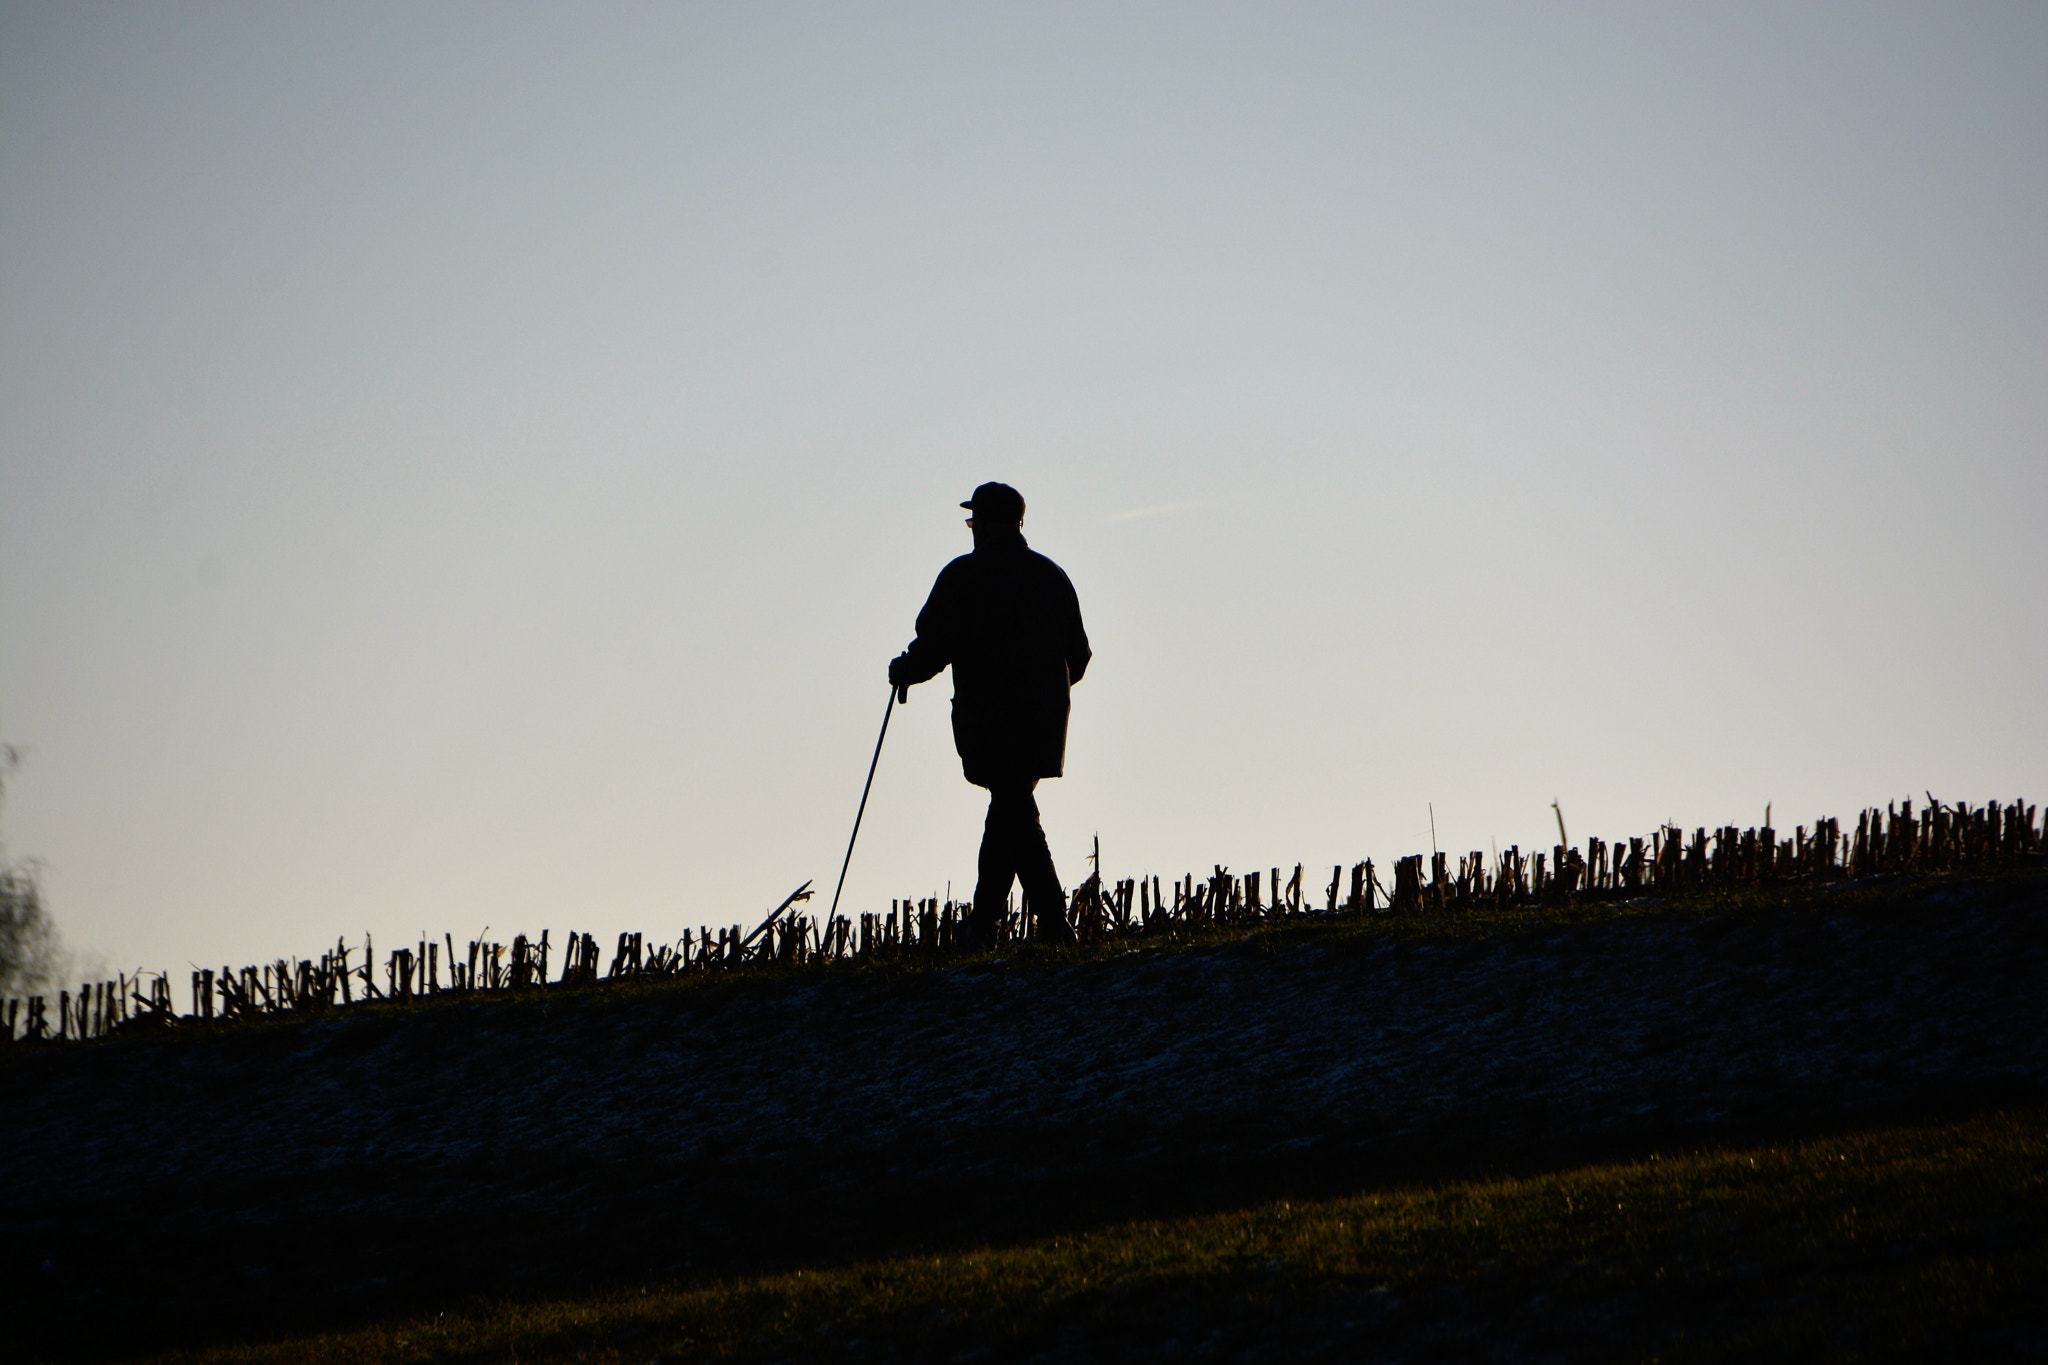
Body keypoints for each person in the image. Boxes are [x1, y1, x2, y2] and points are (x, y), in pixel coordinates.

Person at [889, 483, 1091, 946]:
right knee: (1010, 809)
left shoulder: (964, 576)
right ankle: (984, 926)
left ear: (983, 523)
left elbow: (934, 645)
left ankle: (1052, 926)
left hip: (988, 719)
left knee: (1012, 807)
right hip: (1044, 723)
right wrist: (1047, 693)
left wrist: (904, 669)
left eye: (973, 520)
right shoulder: (1050, 576)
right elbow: (1078, 655)